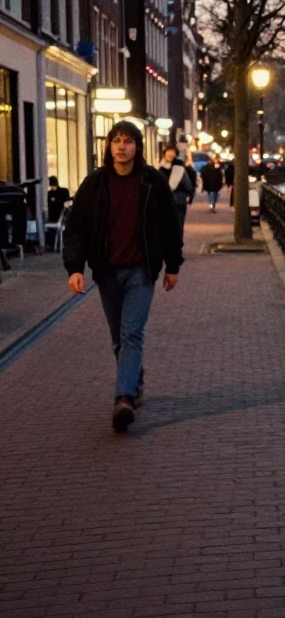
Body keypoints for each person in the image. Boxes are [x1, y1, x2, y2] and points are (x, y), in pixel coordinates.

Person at [62, 120, 182, 433]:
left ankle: (123, 398)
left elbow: (170, 225)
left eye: (128, 141)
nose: (121, 146)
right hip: (107, 271)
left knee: (131, 334)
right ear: (108, 145)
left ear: (137, 146)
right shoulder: (96, 183)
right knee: (118, 337)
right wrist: (75, 267)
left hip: (141, 271)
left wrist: (173, 265)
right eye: (116, 140)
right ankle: (135, 379)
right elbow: (76, 228)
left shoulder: (152, 182)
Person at [158, 143, 195, 243]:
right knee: (164, 227)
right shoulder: (159, 169)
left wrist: (187, 196)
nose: (170, 156)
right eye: (168, 154)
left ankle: (177, 249)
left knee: (178, 226)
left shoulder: (180, 169)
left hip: (177, 202)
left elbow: (188, 185)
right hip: (163, 202)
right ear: (164, 155)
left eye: (172, 155)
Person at [45, 176, 71, 248]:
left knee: (48, 227)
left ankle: (51, 244)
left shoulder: (51, 193)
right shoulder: (64, 191)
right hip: (62, 217)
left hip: (55, 217)